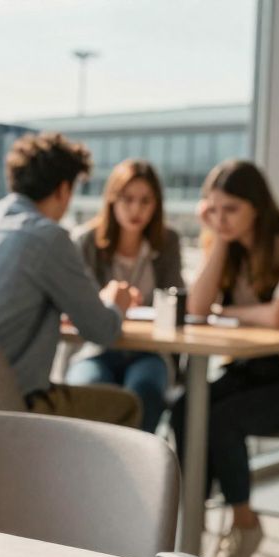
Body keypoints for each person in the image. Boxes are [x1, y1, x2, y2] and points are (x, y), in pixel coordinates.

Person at [0, 132, 142, 427]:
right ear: (64, 189)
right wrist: (116, 303)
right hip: (8, 411)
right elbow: (102, 330)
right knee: (128, 405)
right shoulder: (47, 238)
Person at [173, 159, 279, 557]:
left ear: (257, 205)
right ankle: (193, 532)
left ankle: (244, 522)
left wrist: (234, 312)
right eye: (213, 210)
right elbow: (198, 309)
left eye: (231, 209)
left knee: (221, 420)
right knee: (186, 409)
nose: (222, 219)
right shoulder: (230, 248)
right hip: (252, 371)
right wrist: (218, 239)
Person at [69, 160, 185, 433]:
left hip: (148, 351)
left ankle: (136, 473)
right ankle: (91, 474)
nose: (136, 209)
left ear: (156, 204)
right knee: (90, 391)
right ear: (112, 200)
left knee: (146, 392)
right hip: (95, 349)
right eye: (128, 199)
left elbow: (174, 301)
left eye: (146, 201)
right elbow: (79, 306)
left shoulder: (167, 243)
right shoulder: (86, 242)